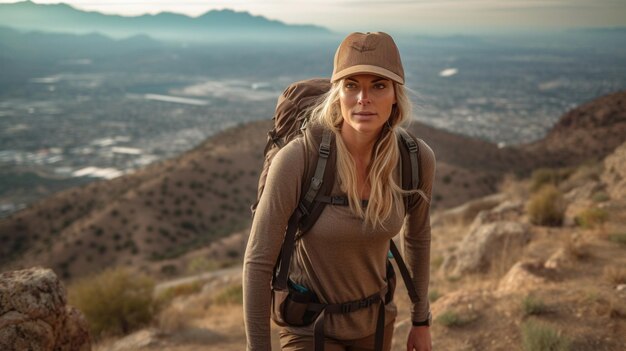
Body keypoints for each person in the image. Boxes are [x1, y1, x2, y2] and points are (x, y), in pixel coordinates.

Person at [243, 32, 435, 351]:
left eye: (378, 85)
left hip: (376, 323)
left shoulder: (414, 159)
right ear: (338, 94)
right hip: (308, 327)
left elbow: (418, 238)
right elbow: (258, 260)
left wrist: (421, 320)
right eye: (351, 85)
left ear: (396, 95)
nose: (364, 98)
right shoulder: (298, 160)